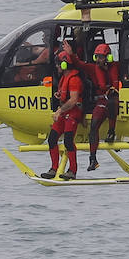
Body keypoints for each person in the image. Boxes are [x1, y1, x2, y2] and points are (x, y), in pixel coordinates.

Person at [45, 44, 85, 180]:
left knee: (68, 141)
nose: (57, 67)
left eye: (58, 65)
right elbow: (65, 95)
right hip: (64, 112)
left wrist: (60, 110)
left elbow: (73, 100)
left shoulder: (74, 79)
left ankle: (72, 170)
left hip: (73, 113)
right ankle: (53, 168)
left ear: (63, 65)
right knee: (52, 139)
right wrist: (59, 95)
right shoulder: (64, 77)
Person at [86, 42, 122, 171]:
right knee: (93, 126)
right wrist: (71, 55)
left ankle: (112, 132)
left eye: (101, 57)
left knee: (113, 102)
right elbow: (79, 64)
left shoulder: (117, 66)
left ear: (108, 57)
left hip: (113, 100)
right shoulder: (93, 68)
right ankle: (92, 159)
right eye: (97, 57)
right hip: (101, 101)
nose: (99, 60)